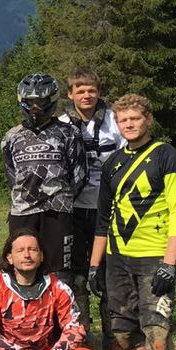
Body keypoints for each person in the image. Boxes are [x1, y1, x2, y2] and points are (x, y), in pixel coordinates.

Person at [88, 93, 176, 350]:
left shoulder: (167, 156)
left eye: (135, 118)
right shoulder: (112, 163)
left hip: (153, 257)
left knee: (157, 333)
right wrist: (95, 266)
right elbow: (102, 220)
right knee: (123, 332)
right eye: (123, 120)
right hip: (117, 259)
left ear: (148, 120)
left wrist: (169, 264)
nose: (129, 125)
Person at [0, 73, 86, 284]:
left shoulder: (69, 133)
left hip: (58, 211)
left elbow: (79, 174)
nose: (36, 108)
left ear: (52, 100)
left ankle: (61, 305)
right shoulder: (11, 137)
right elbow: (11, 175)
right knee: (22, 265)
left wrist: (60, 198)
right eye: (31, 102)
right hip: (23, 210)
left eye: (41, 101)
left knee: (60, 271)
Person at [62, 67, 123, 313]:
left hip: (107, 206)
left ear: (99, 92)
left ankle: (114, 328)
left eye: (91, 90)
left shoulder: (115, 121)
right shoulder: (62, 124)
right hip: (74, 207)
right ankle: (81, 328)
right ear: (70, 94)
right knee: (76, 272)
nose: (86, 96)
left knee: (109, 269)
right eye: (80, 91)